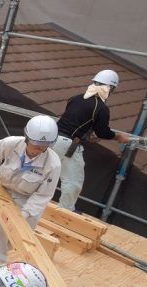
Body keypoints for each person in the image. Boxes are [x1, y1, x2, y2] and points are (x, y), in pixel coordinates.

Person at [0, 116, 62, 263]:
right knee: (2, 227)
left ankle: (0, 247)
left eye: (43, 146)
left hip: (27, 198)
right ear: (27, 138)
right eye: (35, 144)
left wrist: (26, 212)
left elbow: (43, 195)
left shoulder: (53, 164)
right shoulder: (10, 144)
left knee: (23, 233)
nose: (38, 149)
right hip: (3, 189)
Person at [53, 69, 131, 210]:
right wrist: (118, 137)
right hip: (68, 145)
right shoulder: (101, 107)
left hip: (52, 138)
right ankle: (66, 210)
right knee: (73, 180)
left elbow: (74, 121)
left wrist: (86, 135)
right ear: (110, 88)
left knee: (42, 170)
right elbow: (103, 132)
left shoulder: (75, 98)